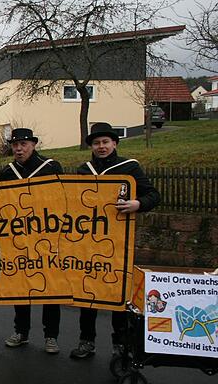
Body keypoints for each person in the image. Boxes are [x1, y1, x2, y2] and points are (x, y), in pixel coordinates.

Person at [70, 122, 161, 359]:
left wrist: (138, 204)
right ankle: (86, 341)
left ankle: (120, 344)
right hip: (88, 242)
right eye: (97, 143)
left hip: (119, 243)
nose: (101, 147)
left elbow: (153, 194)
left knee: (119, 298)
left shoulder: (129, 168)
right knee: (87, 295)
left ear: (114, 143)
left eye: (105, 142)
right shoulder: (84, 170)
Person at [0, 128, 63, 354]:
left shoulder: (51, 167)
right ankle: (21, 331)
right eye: (15, 145)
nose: (19, 149)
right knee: (20, 288)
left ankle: (51, 336)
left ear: (33, 144)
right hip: (17, 239)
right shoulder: (8, 172)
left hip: (47, 238)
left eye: (23, 144)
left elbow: (63, 200)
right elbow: (2, 208)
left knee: (51, 289)